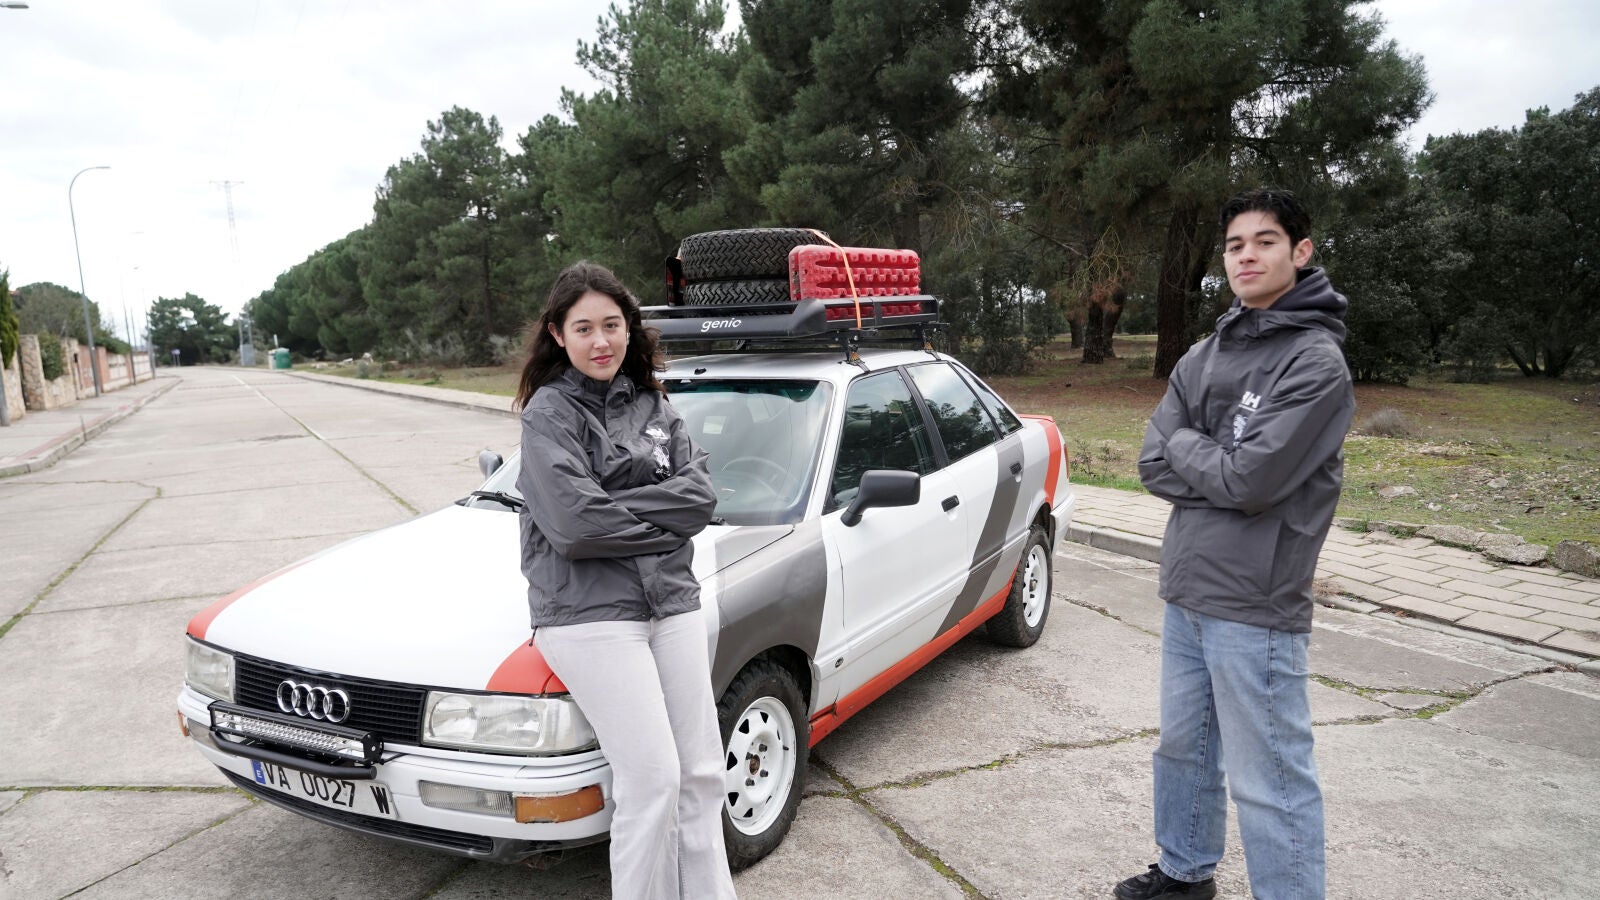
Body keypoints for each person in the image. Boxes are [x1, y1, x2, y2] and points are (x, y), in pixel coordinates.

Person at [1119, 189, 1355, 900]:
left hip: (1256, 601)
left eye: (1265, 241)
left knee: (1270, 778)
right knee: (1182, 749)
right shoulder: (1205, 351)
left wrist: (1197, 449)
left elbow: (1251, 479)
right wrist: (1216, 461)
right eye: (1234, 245)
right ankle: (1184, 872)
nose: (1246, 256)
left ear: (1300, 252)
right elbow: (1152, 463)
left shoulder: (1314, 362)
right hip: (1187, 587)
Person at [514, 261, 737, 900]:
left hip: (672, 602)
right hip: (589, 615)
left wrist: (614, 504)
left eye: (611, 325)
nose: (600, 341)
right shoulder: (548, 415)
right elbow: (574, 526)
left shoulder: (654, 405)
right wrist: (662, 520)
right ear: (558, 334)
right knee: (653, 778)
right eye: (583, 328)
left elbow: (700, 499)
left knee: (701, 773)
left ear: (629, 327)